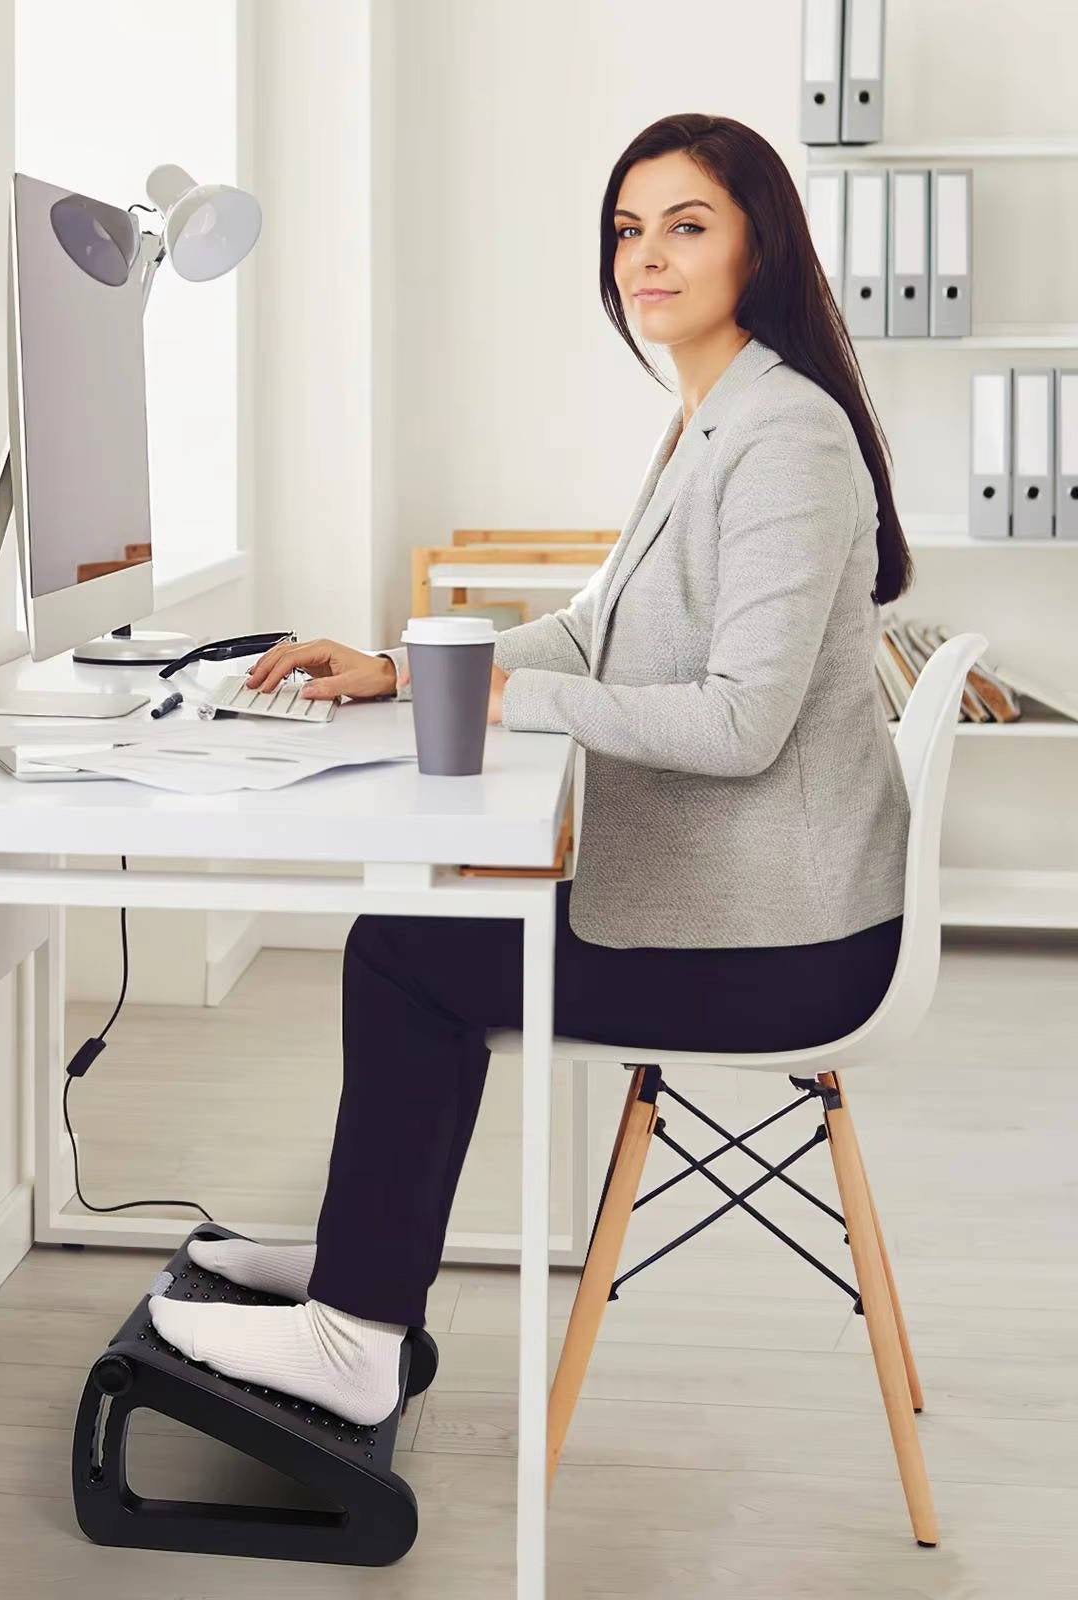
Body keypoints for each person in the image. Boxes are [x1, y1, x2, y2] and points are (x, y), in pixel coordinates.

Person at [148, 112, 913, 1429]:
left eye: (686, 225)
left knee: (405, 955)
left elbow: (743, 724)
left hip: (789, 944)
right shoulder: (714, 416)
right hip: (754, 907)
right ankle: (359, 1268)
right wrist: (408, 666)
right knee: (418, 936)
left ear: (760, 247)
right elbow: (595, 628)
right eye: (629, 230)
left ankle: (354, 1328)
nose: (647, 257)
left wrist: (504, 695)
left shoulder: (781, 439)